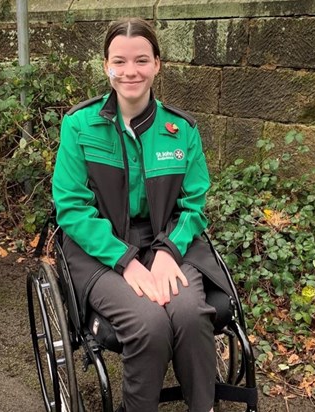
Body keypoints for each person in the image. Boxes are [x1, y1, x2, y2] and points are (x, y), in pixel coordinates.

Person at [53, 17, 231, 412]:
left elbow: (194, 203)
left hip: (166, 241)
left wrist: (167, 251)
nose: (130, 71)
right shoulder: (79, 126)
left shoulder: (181, 129)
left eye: (141, 60)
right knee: (148, 324)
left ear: (157, 64)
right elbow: (71, 208)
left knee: (188, 314)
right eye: (119, 61)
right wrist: (125, 261)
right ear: (106, 66)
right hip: (99, 248)